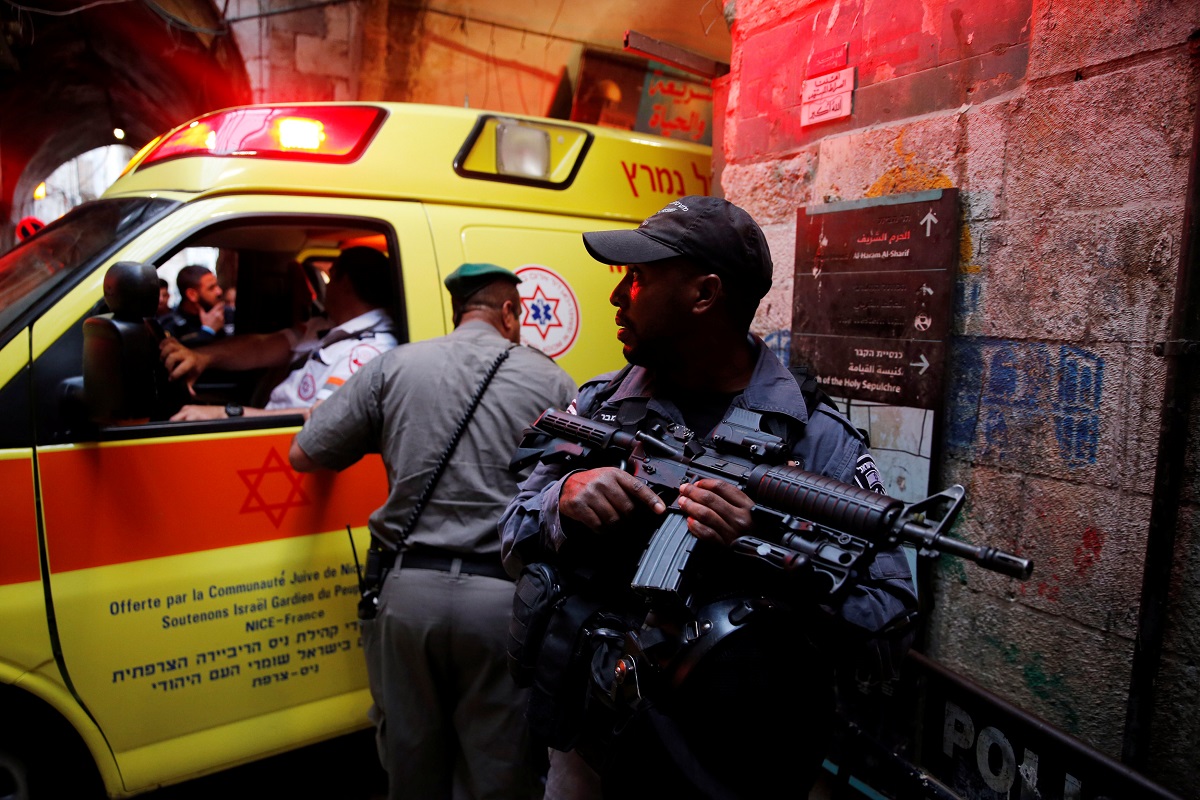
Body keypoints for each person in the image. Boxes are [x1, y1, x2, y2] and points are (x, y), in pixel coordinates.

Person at [498, 196, 918, 799]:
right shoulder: (599, 408)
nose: (617, 297)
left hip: (734, 758)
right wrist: (563, 500)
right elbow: (511, 535)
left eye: (637, 279)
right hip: (595, 746)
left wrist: (769, 553)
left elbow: (890, 618)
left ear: (704, 295)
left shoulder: (817, 439)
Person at [288, 263, 577, 800]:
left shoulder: (394, 367)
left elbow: (305, 454)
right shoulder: (550, 380)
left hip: (406, 598)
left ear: (458, 310)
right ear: (509, 313)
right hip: (503, 604)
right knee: (499, 771)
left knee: (411, 767)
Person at [160, 246, 398, 421]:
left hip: (282, 442)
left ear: (343, 282)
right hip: (265, 426)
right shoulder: (324, 327)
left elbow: (322, 417)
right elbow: (263, 347)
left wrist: (226, 413)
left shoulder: (370, 351)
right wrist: (201, 357)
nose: (326, 287)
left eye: (330, 278)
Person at [160, 264, 225, 345]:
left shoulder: (227, 314)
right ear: (192, 294)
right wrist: (208, 331)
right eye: (211, 288)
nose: (219, 291)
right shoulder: (171, 326)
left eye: (217, 285)